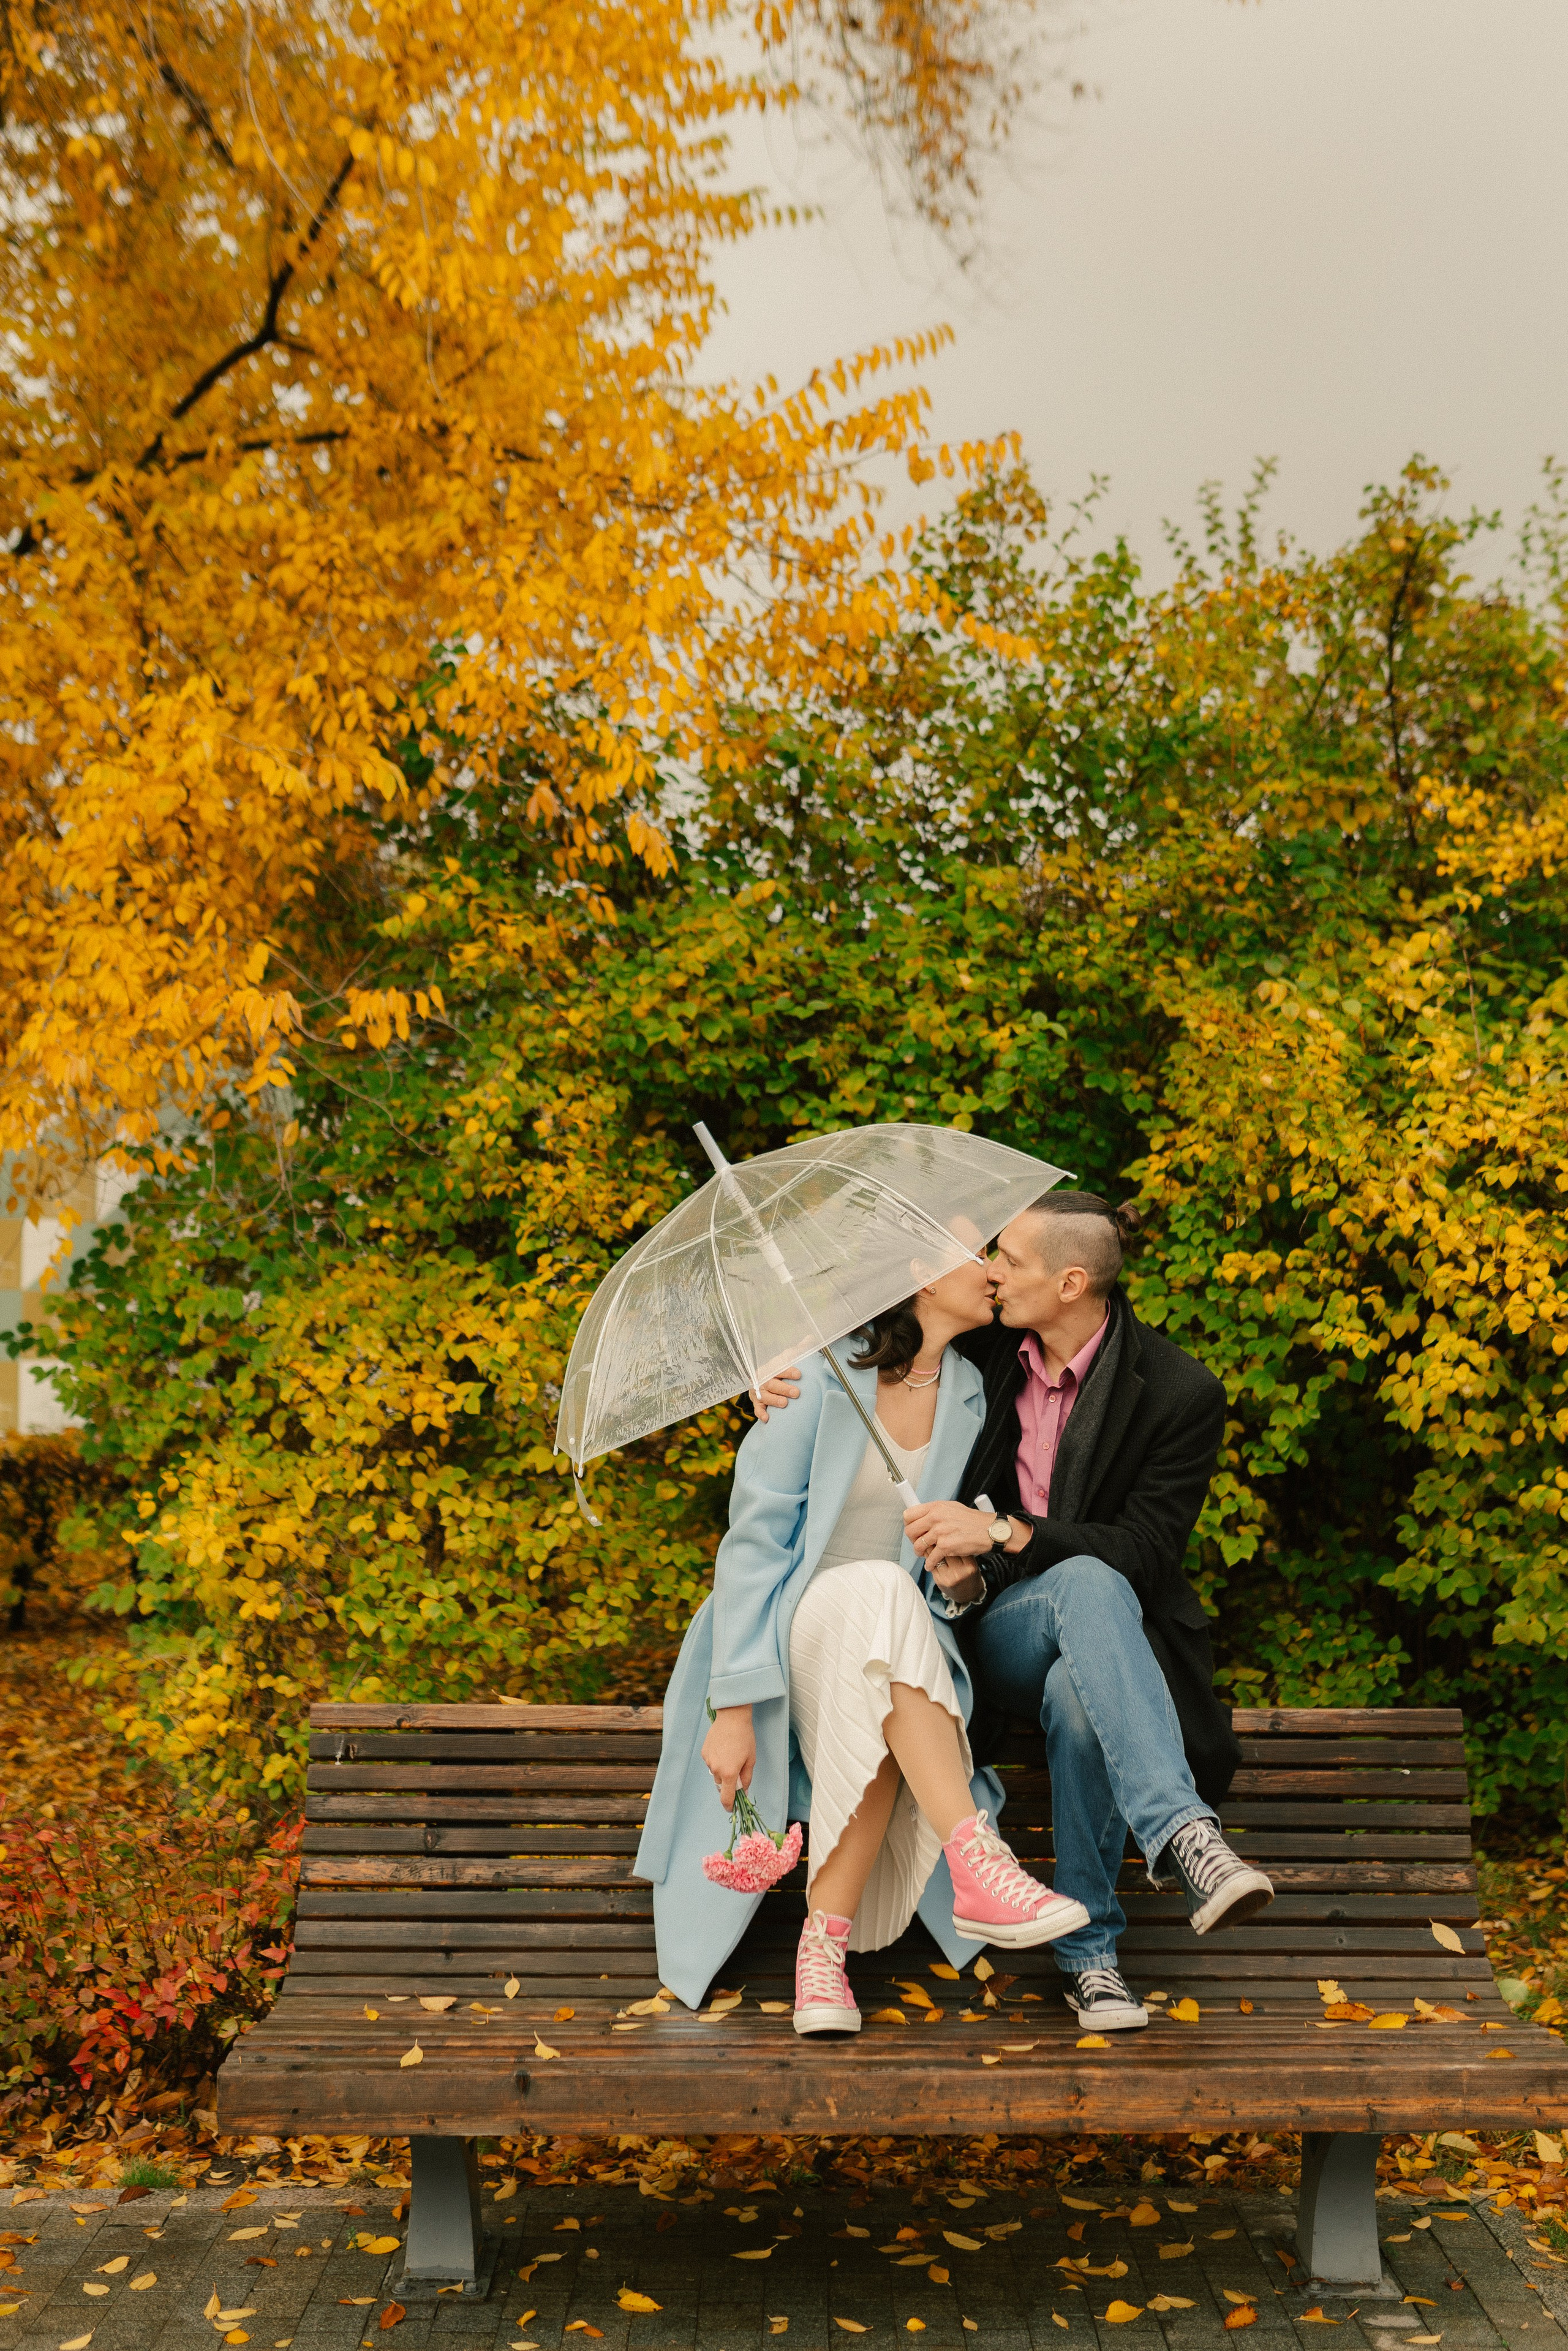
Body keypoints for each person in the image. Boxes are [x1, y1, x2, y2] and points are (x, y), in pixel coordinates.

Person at [757, 1190, 1272, 2039]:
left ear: (1071, 1283)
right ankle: (1185, 1839)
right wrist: (774, 1372)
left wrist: (1002, 1528)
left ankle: (1091, 1959)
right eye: (989, 1256)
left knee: (1088, 1638)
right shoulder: (987, 1343)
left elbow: (1145, 1551)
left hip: (1105, 1643)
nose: (992, 1272)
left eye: (1013, 1260)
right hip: (983, 1627)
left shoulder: (1180, 1393)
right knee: (1086, 1589)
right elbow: (874, 1337)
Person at [634, 1227, 1089, 2036]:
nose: (991, 1273)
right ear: (916, 1270)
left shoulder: (972, 1393)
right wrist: (733, 1706)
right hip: (786, 1629)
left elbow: (942, 1568)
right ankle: (977, 1856)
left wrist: (957, 1581)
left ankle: (823, 1954)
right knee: (875, 1598)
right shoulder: (813, 1375)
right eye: (973, 1255)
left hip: (886, 1639)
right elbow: (751, 1548)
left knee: (877, 1659)